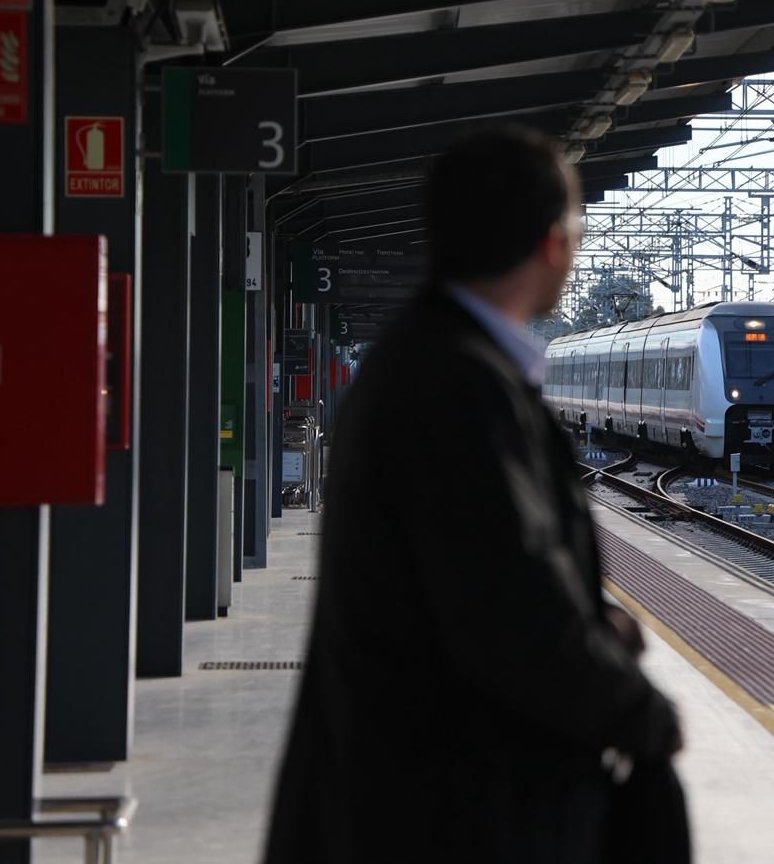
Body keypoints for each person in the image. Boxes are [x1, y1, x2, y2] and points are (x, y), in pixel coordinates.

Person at [264, 126, 688, 864]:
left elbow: (472, 572)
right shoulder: (460, 385)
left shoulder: (430, 360)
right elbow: (510, 613)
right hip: (444, 810)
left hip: (408, 792)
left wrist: (586, 620)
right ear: (554, 244)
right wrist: (639, 712)